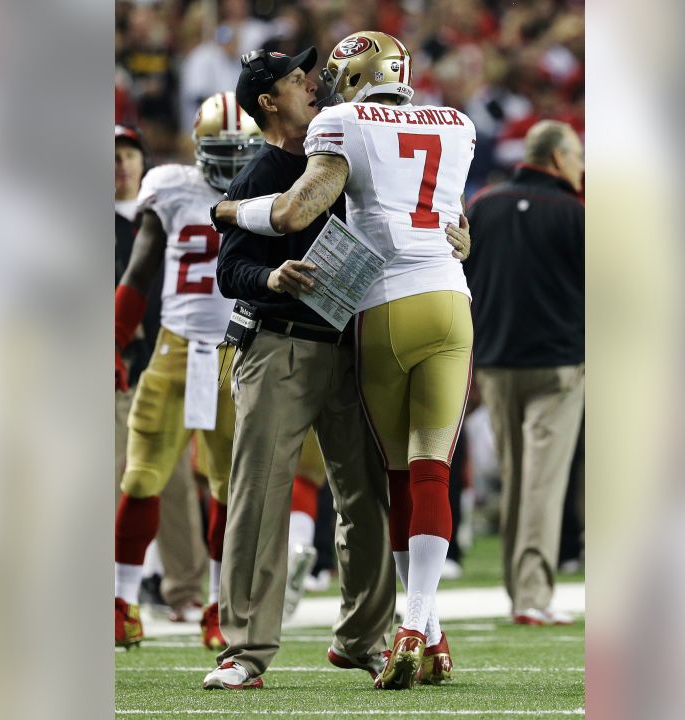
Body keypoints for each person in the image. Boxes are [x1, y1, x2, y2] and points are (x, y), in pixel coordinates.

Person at [212, 32, 476, 690]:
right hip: (283, 346)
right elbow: (231, 268)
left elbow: (420, 212)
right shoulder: (267, 168)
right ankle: (243, 651)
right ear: (270, 104)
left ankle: (365, 636)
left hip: (355, 340)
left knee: (366, 500)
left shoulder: (351, 137)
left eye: (316, 74)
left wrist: (458, 232)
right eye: (299, 80)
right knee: (262, 499)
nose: (313, 83)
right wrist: (269, 279)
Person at [112, 93, 263, 651]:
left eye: (239, 150)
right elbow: (140, 268)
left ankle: (209, 607)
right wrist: (115, 340)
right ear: (198, 149)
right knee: (146, 475)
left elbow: (138, 271)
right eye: (220, 151)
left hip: (222, 353)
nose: (229, 163)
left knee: (220, 486)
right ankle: (126, 601)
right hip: (188, 352)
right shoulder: (175, 187)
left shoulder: (268, 183)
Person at [463, 119, 585, 626]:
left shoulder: (483, 205)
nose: (581, 166)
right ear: (557, 159)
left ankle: (520, 591)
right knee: (542, 480)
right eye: (576, 156)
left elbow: (461, 273)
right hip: (556, 366)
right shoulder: (575, 214)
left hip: (495, 364)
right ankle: (531, 595)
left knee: (515, 478)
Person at [114, 125, 208, 625]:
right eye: (111, 157)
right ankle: (115, 592)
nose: (120, 165)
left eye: (128, 154)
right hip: (124, 368)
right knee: (127, 477)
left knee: (177, 482)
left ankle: (188, 591)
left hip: (178, 357)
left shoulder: (169, 202)